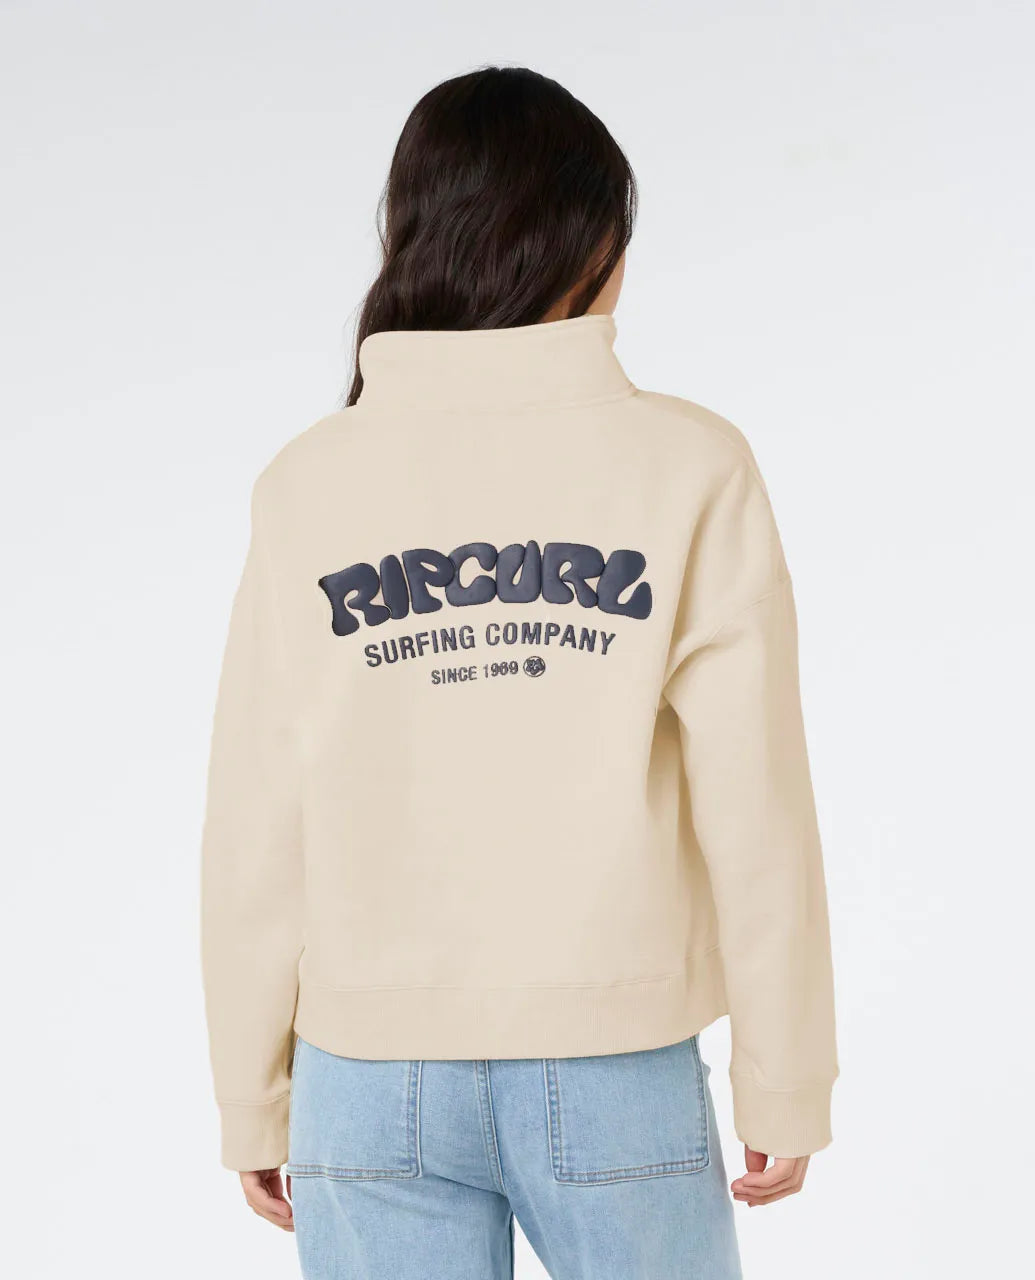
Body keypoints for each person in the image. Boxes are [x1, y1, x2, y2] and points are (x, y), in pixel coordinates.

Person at [201, 65, 837, 1280]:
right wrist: (786, 1072)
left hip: (363, 1080)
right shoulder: (688, 464)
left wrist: (251, 1092)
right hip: (613, 1062)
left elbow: (254, 820)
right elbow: (757, 802)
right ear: (591, 239)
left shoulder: (309, 481)